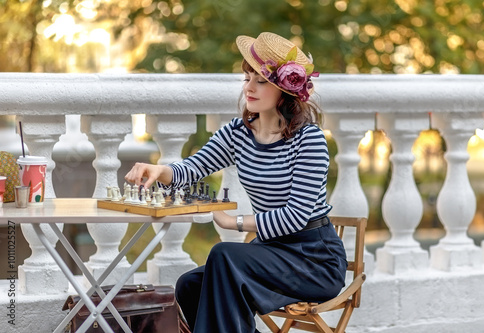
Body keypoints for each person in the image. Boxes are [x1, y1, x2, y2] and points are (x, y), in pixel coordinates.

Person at [125, 32, 347, 333]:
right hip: (270, 252)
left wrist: (233, 223)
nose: (249, 88)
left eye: (260, 81)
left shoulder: (309, 140)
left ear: (285, 89)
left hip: (313, 260)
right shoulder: (239, 132)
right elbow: (194, 167)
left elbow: (297, 216)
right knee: (190, 285)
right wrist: (158, 170)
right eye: (246, 78)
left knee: (223, 254)